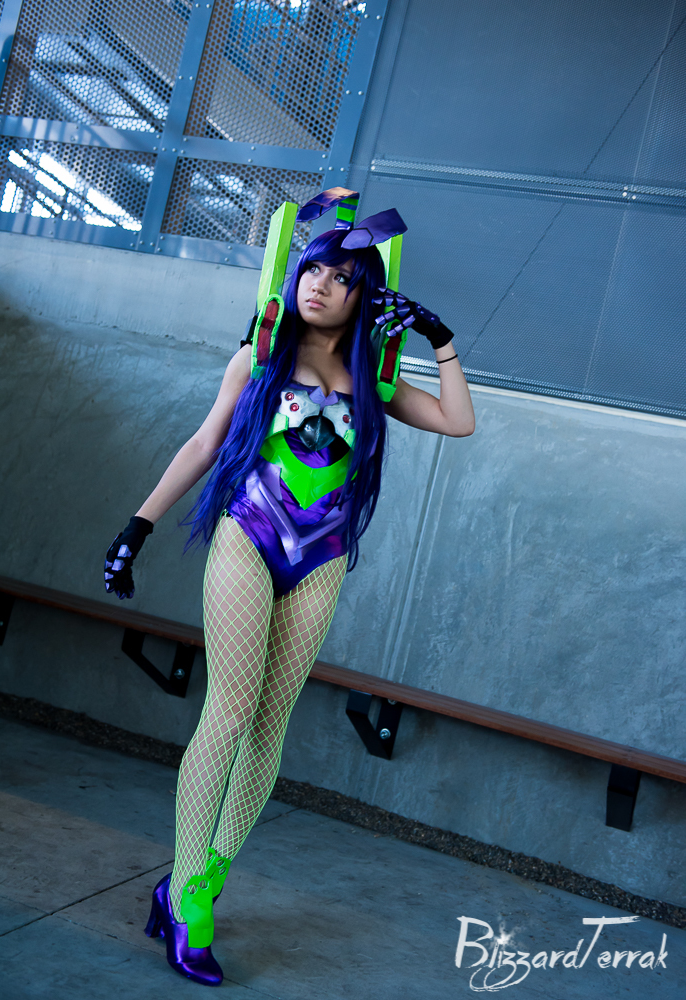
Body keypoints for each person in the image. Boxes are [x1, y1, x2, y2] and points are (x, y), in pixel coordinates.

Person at [103, 191, 475, 986]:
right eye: (314, 269)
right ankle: (188, 903)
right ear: (296, 272)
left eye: (342, 277)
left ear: (363, 293)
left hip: (322, 557)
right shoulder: (262, 355)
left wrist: (439, 339)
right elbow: (205, 443)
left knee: (269, 726)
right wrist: (138, 526)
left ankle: (198, 885)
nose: (321, 284)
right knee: (230, 712)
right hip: (249, 538)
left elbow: (457, 421)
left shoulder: (373, 377)